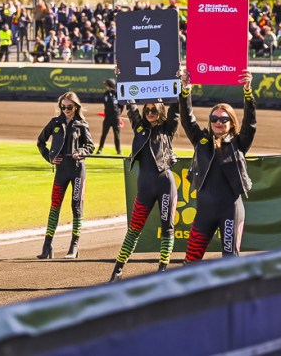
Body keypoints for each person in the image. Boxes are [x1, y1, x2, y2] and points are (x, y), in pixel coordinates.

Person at [178, 70, 255, 261]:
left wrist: (247, 93)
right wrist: (186, 90)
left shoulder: (239, 142)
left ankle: (235, 292)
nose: (218, 122)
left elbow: (250, 124)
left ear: (231, 123)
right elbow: (187, 118)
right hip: (204, 211)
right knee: (190, 261)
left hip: (230, 209)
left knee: (230, 260)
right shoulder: (200, 139)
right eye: (214, 119)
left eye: (223, 119)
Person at [109, 96, 180, 281]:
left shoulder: (167, 128)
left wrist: (182, 87)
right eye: (147, 110)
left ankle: (163, 271)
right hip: (145, 187)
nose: (150, 113)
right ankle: (117, 269)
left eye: (154, 110)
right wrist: (122, 77)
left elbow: (177, 109)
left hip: (165, 184)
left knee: (167, 228)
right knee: (133, 229)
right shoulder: (139, 127)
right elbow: (130, 105)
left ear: (161, 111)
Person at [36, 92, 94, 259]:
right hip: (61, 171)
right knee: (54, 207)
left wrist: (80, 152)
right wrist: (49, 158)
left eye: (69, 107)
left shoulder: (82, 124)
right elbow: (40, 141)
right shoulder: (55, 122)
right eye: (63, 107)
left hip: (77, 170)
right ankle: (47, 246)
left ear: (76, 106)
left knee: (76, 207)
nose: (66, 110)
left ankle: (74, 247)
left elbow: (90, 146)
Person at [96, 78, 124, 155]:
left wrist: (118, 114)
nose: (106, 87)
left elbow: (121, 105)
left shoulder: (117, 94)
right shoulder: (105, 94)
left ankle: (118, 150)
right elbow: (105, 104)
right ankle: (100, 149)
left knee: (117, 135)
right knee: (104, 134)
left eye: (107, 85)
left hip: (115, 118)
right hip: (107, 118)